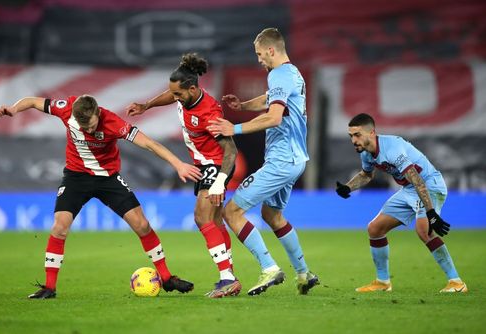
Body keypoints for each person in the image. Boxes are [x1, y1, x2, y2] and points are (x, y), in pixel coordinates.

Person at [0, 95, 203, 299]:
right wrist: (14, 108)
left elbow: (149, 144)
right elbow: (32, 101)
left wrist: (178, 164)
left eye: (93, 126)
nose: (90, 131)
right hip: (75, 178)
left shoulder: (113, 122)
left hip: (108, 180)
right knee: (59, 227)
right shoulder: (65, 109)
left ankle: (166, 277)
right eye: (85, 128)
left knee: (142, 225)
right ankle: (49, 287)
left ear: (97, 112)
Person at [207, 28, 319, 296]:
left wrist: (233, 128)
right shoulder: (293, 74)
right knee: (272, 215)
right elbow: (271, 101)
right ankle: (304, 274)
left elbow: (274, 117)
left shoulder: (278, 74)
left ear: (271, 50)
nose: (258, 59)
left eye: (259, 54)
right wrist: (243, 105)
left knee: (231, 212)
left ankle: (269, 267)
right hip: (295, 158)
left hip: (281, 160)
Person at [126, 53, 241, 298]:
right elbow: (170, 95)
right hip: (203, 165)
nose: (175, 98)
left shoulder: (210, 114)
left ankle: (227, 278)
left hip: (216, 166)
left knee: (201, 217)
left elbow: (230, 150)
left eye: (179, 94)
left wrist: (220, 182)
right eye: (173, 94)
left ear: (191, 89)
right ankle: (229, 277)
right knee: (216, 222)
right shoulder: (185, 96)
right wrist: (147, 105)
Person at [335, 113, 467, 293]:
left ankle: (457, 282)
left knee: (424, 231)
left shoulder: (393, 148)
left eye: (357, 135)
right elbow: (367, 175)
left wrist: (431, 213)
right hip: (408, 189)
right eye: (351, 136)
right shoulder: (366, 152)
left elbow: (417, 179)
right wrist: (348, 188)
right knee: (375, 229)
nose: (353, 140)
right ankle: (383, 282)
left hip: (429, 185)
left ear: (371, 132)